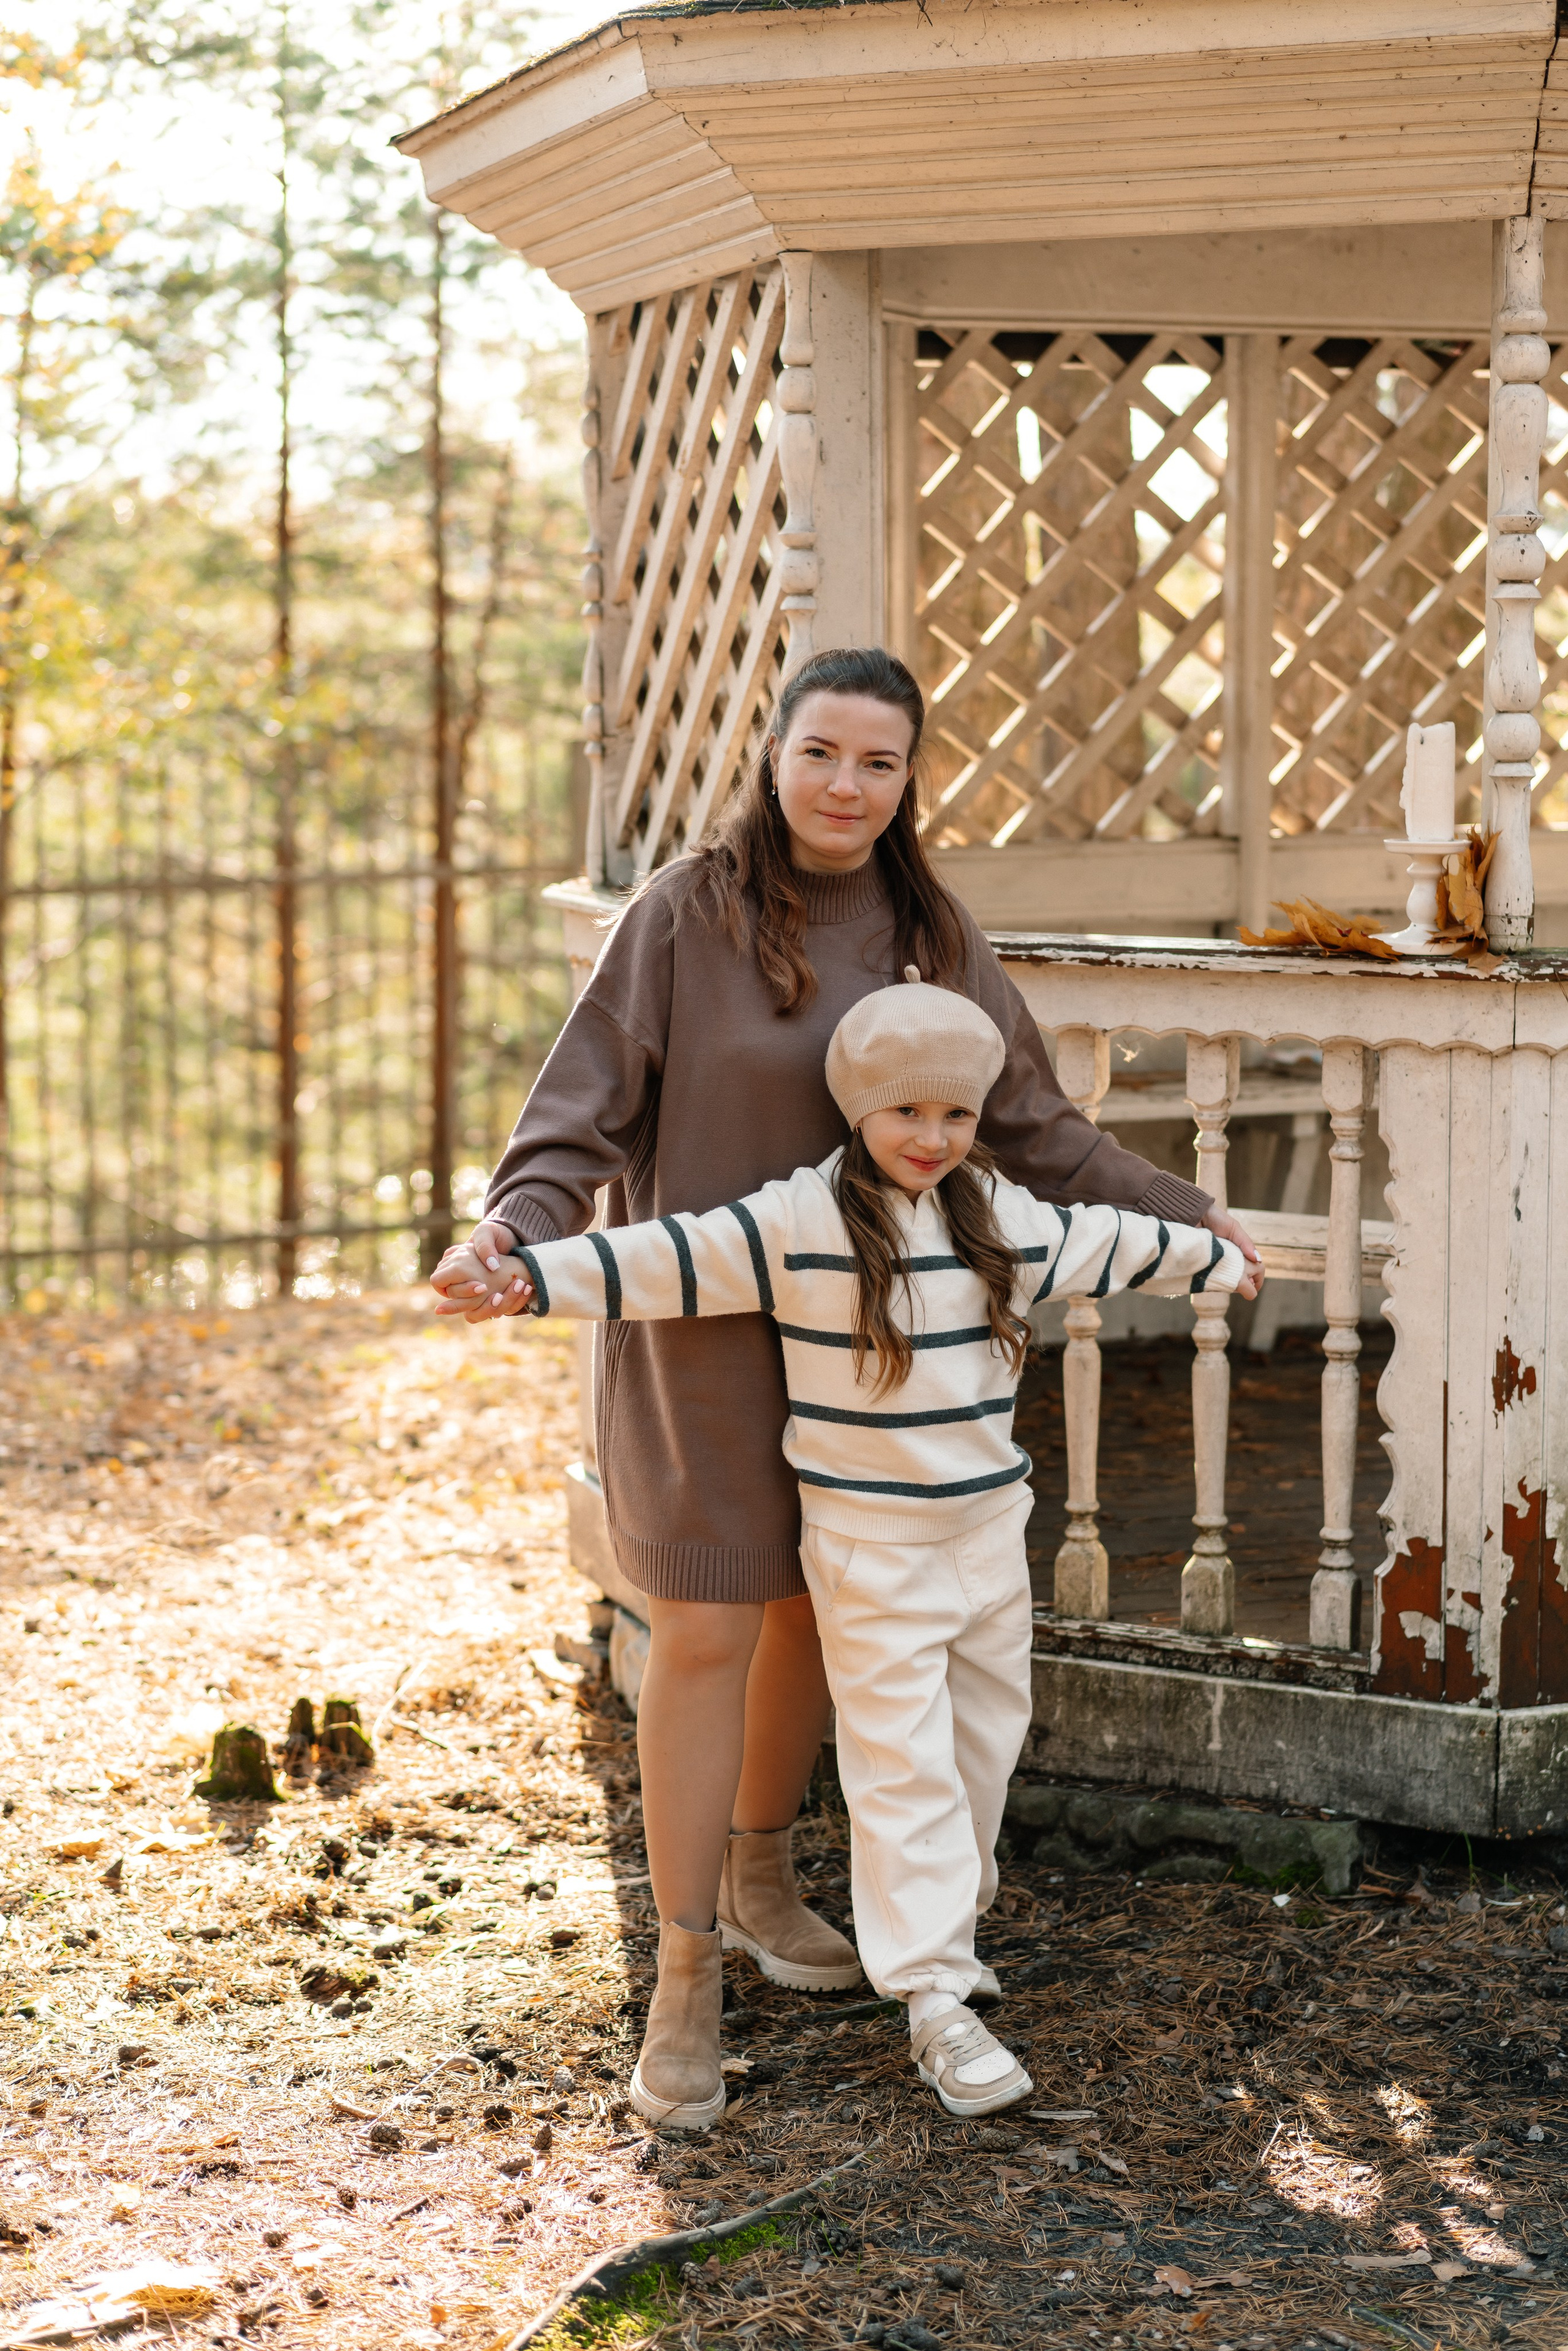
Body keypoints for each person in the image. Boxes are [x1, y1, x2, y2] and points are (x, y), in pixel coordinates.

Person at [427, 647, 1260, 2111]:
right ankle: (684, 1969)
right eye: (820, 751)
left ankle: (761, 1872)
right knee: (701, 1627)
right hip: (697, 1340)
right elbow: (577, 1116)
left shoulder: (931, 927)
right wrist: (513, 1232)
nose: (844, 785)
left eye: (878, 761)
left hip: (866, 1352)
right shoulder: (682, 916)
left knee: (813, 1614)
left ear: (908, 777)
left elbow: (1033, 1126)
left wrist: (1189, 1219)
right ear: (773, 754)